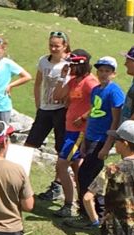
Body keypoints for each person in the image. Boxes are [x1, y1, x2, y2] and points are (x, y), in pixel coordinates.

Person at [64, 56, 124, 229]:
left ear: (113, 73)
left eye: (107, 71)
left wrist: (107, 145)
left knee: (87, 176)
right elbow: (92, 114)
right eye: (101, 70)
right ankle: (91, 214)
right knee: (86, 176)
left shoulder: (115, 91)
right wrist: (83, 139)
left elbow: (115, 120)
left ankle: (93, 215)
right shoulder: (97, 90)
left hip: (101, 139)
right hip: (90, 137)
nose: (103, 74)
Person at [51, 49, 98, 219]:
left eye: (72, 65)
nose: (69, 67)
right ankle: (81, 205)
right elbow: (56, 96)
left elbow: (99, 105)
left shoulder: (90, 83)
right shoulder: (73, 81)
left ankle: (68, 205)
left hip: (79, 133)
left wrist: (84, 117)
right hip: (69, 129)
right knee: (76, 169)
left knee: (62, 165)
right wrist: (62, 77)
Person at [29, 31, 70, 203]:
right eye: (51, 45)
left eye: (57, 46)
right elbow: (38, 82)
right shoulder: (43, 61)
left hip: (61, 110)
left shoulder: (69, 64)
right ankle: (17, 180)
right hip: (45, 109)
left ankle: (57, 186)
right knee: (30, 144)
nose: (53, 48)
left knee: (61, 150)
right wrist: (38, 104)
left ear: (65, 46)